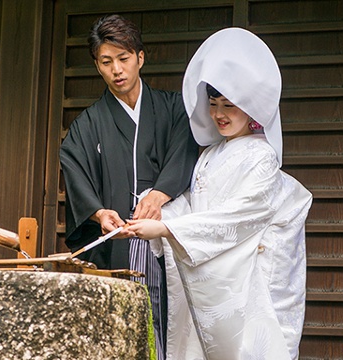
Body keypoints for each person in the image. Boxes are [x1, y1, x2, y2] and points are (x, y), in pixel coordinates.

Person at [126, 27, 313, 360]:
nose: (219, 115)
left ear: (252, 108)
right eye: (213, 104)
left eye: (229, 105)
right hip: (209, 274)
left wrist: (168, 230)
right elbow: (195, 207)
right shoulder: (210, 154)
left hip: (248, 285)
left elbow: (239, 217)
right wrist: (155, 212)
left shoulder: (262, 157)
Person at [59, 14, 198, 360]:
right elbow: (73, 166)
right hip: (117, 244)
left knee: (170, 323)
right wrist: (98, 211)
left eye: (123, 59)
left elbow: (185, 150)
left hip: (165, 240)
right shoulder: (87, 125)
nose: (117, 70)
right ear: (97, 64)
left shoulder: (173, 109)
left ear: (140, 57)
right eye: (106, 62)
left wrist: (160, 193)